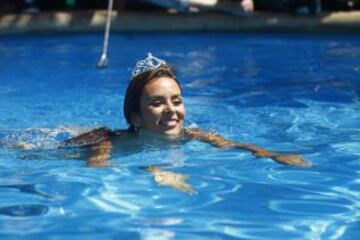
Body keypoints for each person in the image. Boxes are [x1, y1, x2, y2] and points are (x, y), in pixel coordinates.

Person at [62, 53, 310, 194]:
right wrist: (153, 170)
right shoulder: (108, 143)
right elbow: (96, 169)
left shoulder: (193, 134)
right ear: (135, 118)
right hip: (68, 147)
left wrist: (272, 154)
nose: (171, 110)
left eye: (177, 101)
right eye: (157, 102)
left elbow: (234, 146)